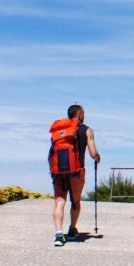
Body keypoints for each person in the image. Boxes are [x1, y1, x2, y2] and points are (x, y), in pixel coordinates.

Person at [51, 104, 100, 246]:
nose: (84, 115)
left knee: (59, 201)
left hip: (58, 171)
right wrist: (97, 157)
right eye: (83, 113)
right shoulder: (87, 130)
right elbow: (92, 153)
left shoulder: (60, 130)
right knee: (76, 202)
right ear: (79, 114)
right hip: (77, 171)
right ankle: (72, 229)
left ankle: (59, 235)